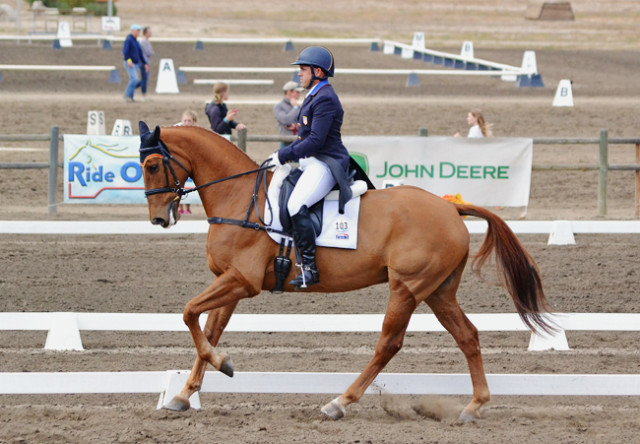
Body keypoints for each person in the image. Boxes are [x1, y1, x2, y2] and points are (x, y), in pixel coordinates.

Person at [265, 46, 351, 289]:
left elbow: (315, 141)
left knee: (295, 204)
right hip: (311, 161)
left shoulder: (325, 98)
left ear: (318, 72)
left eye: (302, 70)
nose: (298, 75)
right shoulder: (314, 93)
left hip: (326, 163)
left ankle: (310, 269)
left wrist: (283, 155)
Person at [177, 110, 198, 214]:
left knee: (189, 185)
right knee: (179, 183)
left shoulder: (196, 132)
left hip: (190, 161)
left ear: (193, 122)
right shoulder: (177, 130)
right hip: (180, 161)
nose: (186, 123)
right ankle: (180, 206)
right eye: (185, 120)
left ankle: (188, 207)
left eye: (189, 121)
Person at [122, 24, 149, 103]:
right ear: (133, 31)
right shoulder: (129, 40)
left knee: (133, 80)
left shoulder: (136, 41)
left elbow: (140, 54)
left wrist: (145, 63)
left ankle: (130, 97)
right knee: (134, 79)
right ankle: (127, 95)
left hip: (136, 63)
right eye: (137, 30)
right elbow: (125, 51)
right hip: (131, 63)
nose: (139, 32)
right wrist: (128, 60)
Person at [273, 80, 304, 148]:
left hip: (299, 142)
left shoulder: (299, 107)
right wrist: (295, 108)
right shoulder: (279, 106)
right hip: (286, 143)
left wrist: (296, 127)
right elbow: (286, 121)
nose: (299, 94)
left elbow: (305, 124)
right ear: (289, 92)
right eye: (297, 92)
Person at [139, 27, 154, 101]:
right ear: (145, 33)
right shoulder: (143, 42)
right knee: (144, 79)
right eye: (149, 32)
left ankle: (143, 93)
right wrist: (145, 63)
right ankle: (143, 94)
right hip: (144, 63)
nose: (151, 33)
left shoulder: (147, 41)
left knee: (144, 78)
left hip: (146, 62)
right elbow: (148, 52)